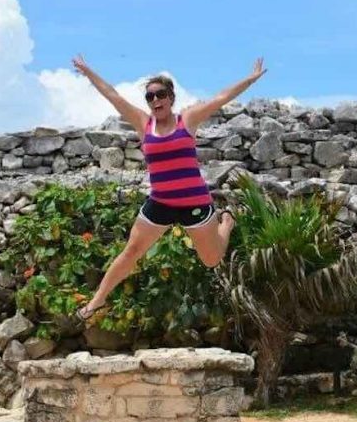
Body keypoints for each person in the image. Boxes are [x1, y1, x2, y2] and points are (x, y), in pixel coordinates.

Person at [70, 55, 267, 321]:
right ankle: (95, 303)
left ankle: (227, 222)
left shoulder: (188, 119)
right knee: (132, 251)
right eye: (150, 97)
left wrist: (250, 79)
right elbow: (112, 95)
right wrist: (88, 72)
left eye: (160, 94)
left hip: (194, 203)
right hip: (160, 203)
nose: (155, 100)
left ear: (171, 97)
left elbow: (221, 98)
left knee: (211, 260)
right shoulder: (143, 123)